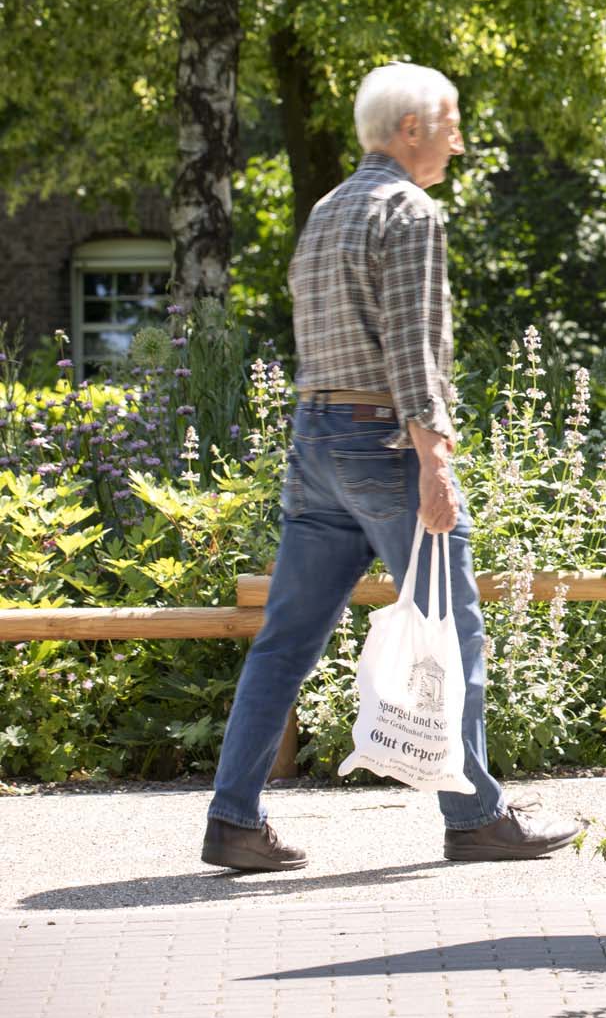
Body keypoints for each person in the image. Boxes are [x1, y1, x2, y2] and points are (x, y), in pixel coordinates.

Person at [201, 63, 580, 872]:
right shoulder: (410, 212)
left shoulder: (329, 209)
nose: (459, 139)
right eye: (450, 122)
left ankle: (234, 817)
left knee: (286, 641)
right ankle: (477, 816)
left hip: (316, 440)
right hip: (383, 443)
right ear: (411, 128)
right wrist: (433, 460)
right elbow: (412, 348)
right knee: (454, 626)